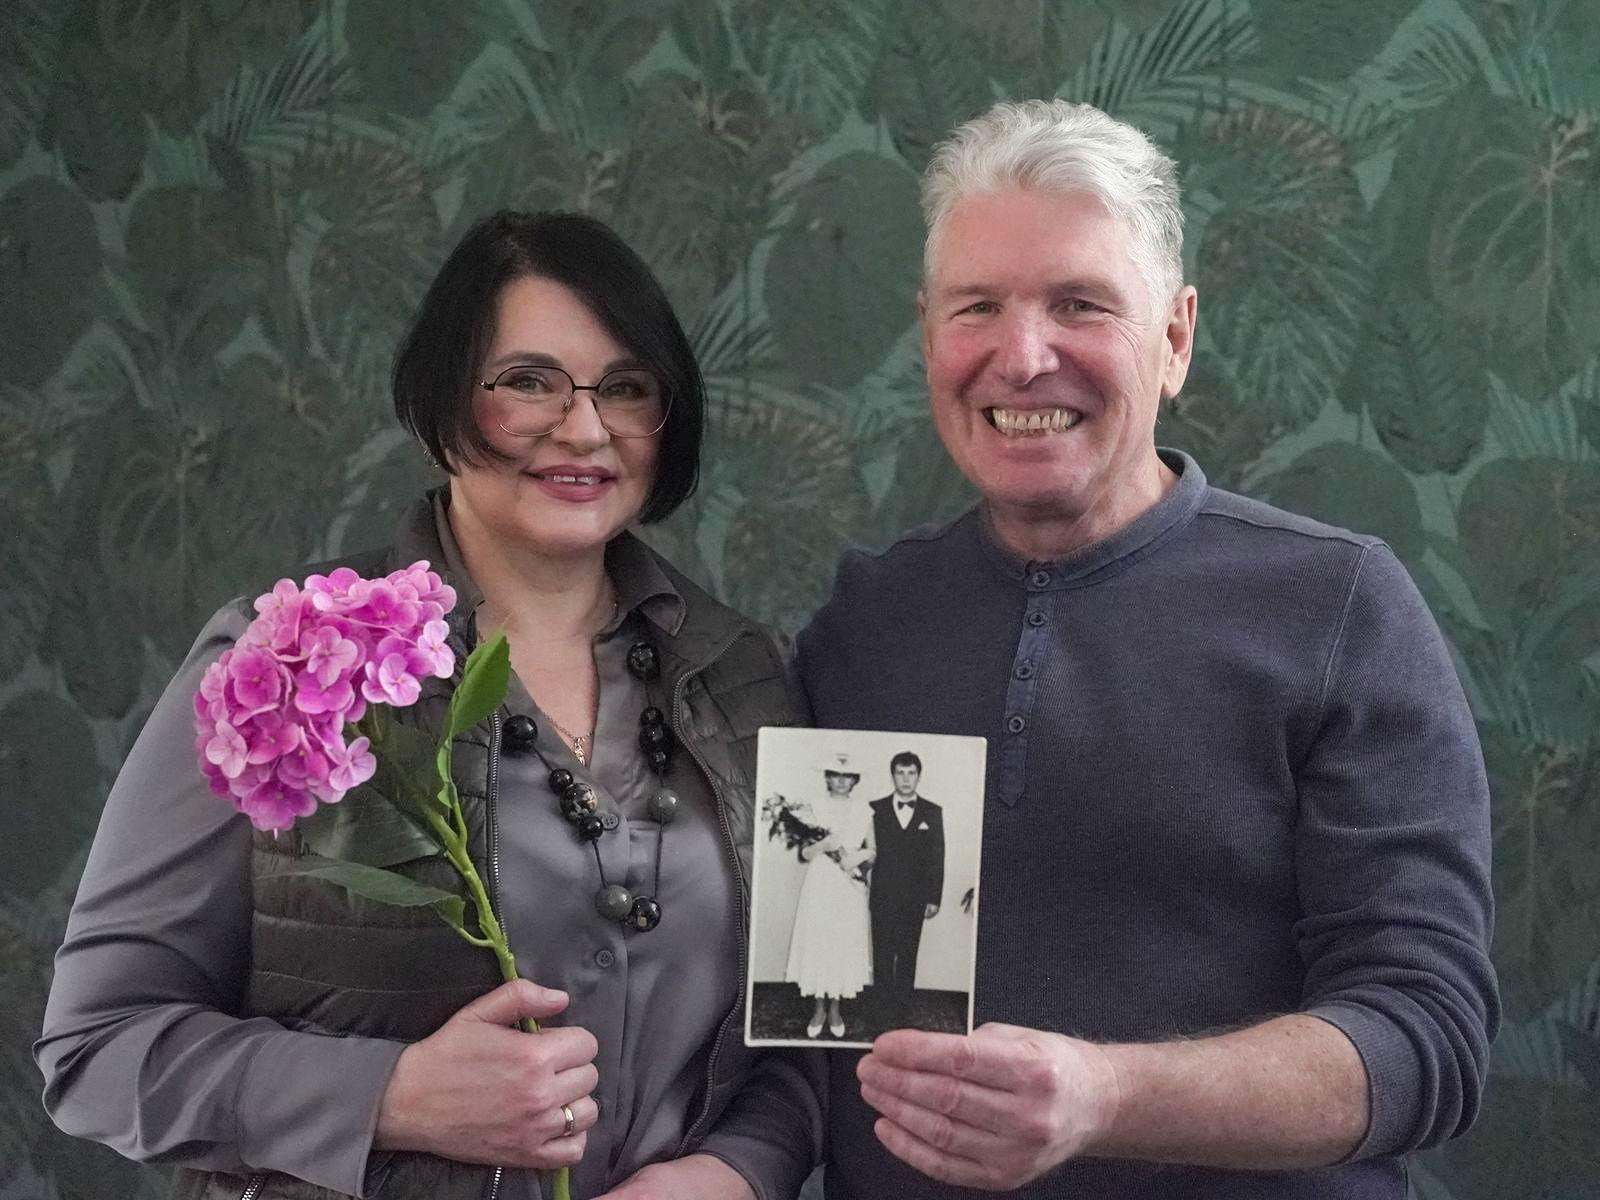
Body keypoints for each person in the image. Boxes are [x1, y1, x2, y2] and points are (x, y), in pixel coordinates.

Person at [37, 211, 820, 1200]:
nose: (584, 428)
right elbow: (97, 1050)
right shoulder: (284, 663)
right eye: (527, 381)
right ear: (441, 398)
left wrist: (732, 1174)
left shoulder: (743, 675)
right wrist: (391, 1094)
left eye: (626, 388)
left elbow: (802, 1049)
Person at [795, 100, 1497, 1199]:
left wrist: (1103, 1097)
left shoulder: (1341, 607)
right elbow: (813, 1007)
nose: (1022, 358)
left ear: (1173, 337)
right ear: (928, 332)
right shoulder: (861, 622)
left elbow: (1425, 1041)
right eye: (978, 307)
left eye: (1079, 304)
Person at [784, 758, 875, 1039]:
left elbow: (872, 850)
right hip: (821, 881)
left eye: (848, 776)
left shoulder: (864, 810)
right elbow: (805, 853)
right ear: (828, 777)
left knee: (841, 942)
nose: (841, 781)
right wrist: (825, 844)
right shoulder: (814, 807)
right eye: (836, 775)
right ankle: (818, 1007)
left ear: (855, 780)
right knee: (820, 940)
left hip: (848, 884)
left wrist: (855, 859)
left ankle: (835, 1008)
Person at [865, 752, 943, 1027]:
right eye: (900, 772)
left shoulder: (932, 812)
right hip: (883, 894)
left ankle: (903, 1012)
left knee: (908, 953)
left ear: (918, 776)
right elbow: (866, 850)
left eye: (911, 773)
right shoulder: (874, 808)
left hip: (916, 897)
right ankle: (881, 1012)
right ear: (892, 775)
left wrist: (934, 897)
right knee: (883, 954)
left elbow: (937, 856)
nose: (906, 779)